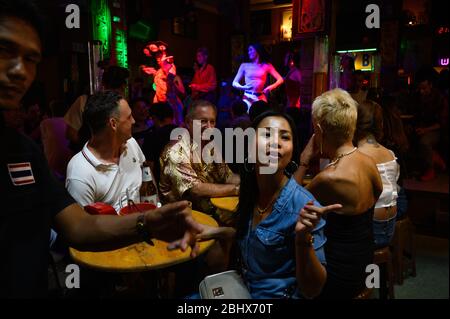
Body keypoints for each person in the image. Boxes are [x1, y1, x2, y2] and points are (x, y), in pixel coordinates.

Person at [0, 0, 202, 298]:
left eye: (31, 59)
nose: (20, 71)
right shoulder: (79, 169)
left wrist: (149, 223)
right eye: (5, 49)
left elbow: (79, 227)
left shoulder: (23, 152)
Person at [200, 111, 340, 298]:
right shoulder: (251, 192)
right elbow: (255, 238)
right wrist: (218, 232)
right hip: (246, 290)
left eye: (285, 137)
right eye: (267, 134)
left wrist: (302, 239)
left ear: (291, 153)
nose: (275, 142)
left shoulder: (302, 205)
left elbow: (312, 290)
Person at [295, 88, 382, 299]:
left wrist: (304, 161)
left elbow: (285, 204)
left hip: (339, 275)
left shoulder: (329, 178)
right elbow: (376, 194)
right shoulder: (368, 162)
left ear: (319, 130)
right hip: (364, 262)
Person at [66, 91, 148, 213]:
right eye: (129, 117)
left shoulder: (131, 144)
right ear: (113, 124)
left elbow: (148, 179)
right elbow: (84, 227)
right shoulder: (80, 173)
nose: (134, 121)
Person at [159, 100, 240, 221]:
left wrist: (251, 181)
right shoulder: (176, 150)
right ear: (188, 122)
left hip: (209, 211)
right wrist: (237, 189)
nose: (209, 127)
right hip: (181, 217)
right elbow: (195, 189)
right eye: (203, 121)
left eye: (212, 122)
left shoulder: (209, 145)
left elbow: (227, 176)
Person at [354, 100, 400, 248]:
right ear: (380, 124)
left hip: (373, 231)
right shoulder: (389, 154)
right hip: (390, 226)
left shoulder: (357, 156)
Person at [64, 65, 130, 151]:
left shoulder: (123, 106)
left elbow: (71, 133)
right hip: (87, 158)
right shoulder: (84, 101)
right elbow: (71, 134)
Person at [413, 67, 448, 181]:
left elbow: (442, 123)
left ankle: (430, 170)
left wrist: (426, 130)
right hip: (423, 128)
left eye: (424, 88)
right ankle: (435, 158)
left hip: (438, 130)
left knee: (424, 141)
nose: (421, 91)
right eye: (420, 88)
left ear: (430, 85)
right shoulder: (418, 97)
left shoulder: (439, 98)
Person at [232, 43, 283, 110]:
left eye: (250, 50)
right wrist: (242, 87)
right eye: (248, 51)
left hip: (261, 97)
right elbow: (234, 83)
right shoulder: (244, 65)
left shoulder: (267, 65)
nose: (248, 52)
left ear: (257, 50)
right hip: (248, 97)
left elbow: (280, 79)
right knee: (248, 117)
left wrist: (270, 87)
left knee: (262, 116)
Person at [142, 102, 177, 185]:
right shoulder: (183, 133)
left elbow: (149, 166)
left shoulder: (152, 136)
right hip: (182, 184)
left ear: (155, 118)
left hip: (161, 184)